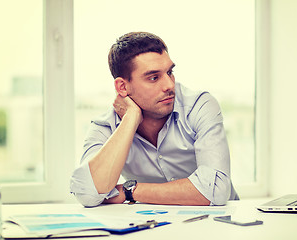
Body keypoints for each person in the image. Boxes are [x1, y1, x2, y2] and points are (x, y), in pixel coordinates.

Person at [70, 32, 239, 207]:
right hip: (154, 225)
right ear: (122, 87)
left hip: (218, 222)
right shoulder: (106, 125)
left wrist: (130, 191)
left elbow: (216, 190)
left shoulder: (199, 105)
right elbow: (88, 194)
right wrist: (131, 118)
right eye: (153, 77)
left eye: (170, 72)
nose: (169, 85)